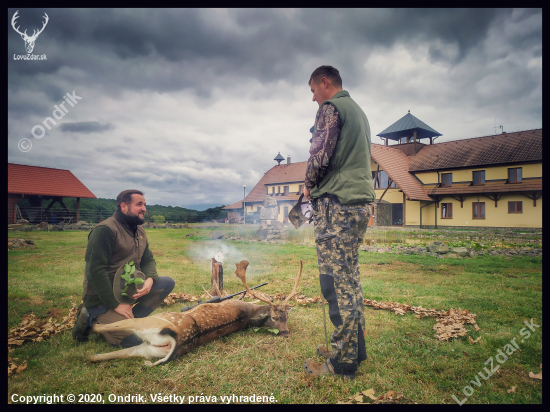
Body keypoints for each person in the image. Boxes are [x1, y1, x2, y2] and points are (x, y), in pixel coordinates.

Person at [302, 66, 375, 380]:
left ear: (324, 82)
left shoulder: (331, 108)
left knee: (336, 283)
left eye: (313, 92)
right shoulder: (358, 112)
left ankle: (342, 363)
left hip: (337, 205)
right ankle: (354, 348)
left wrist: (308, 183)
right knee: (351, 278)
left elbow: (320, 154)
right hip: (358, 205)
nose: (313, 99)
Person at [72, 189, 175, 347]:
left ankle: (131, 319)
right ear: (123, 206)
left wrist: (149, 279)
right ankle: (88, 316)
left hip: (127, 291)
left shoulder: (139, 230)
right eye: (139, 204)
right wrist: (116, 305)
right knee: (134, 341)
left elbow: (148, 259)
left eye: (145, 204)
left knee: (166, 283)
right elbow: (95, 272)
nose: (144, 208)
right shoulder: (105, 231)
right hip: (102, 299)